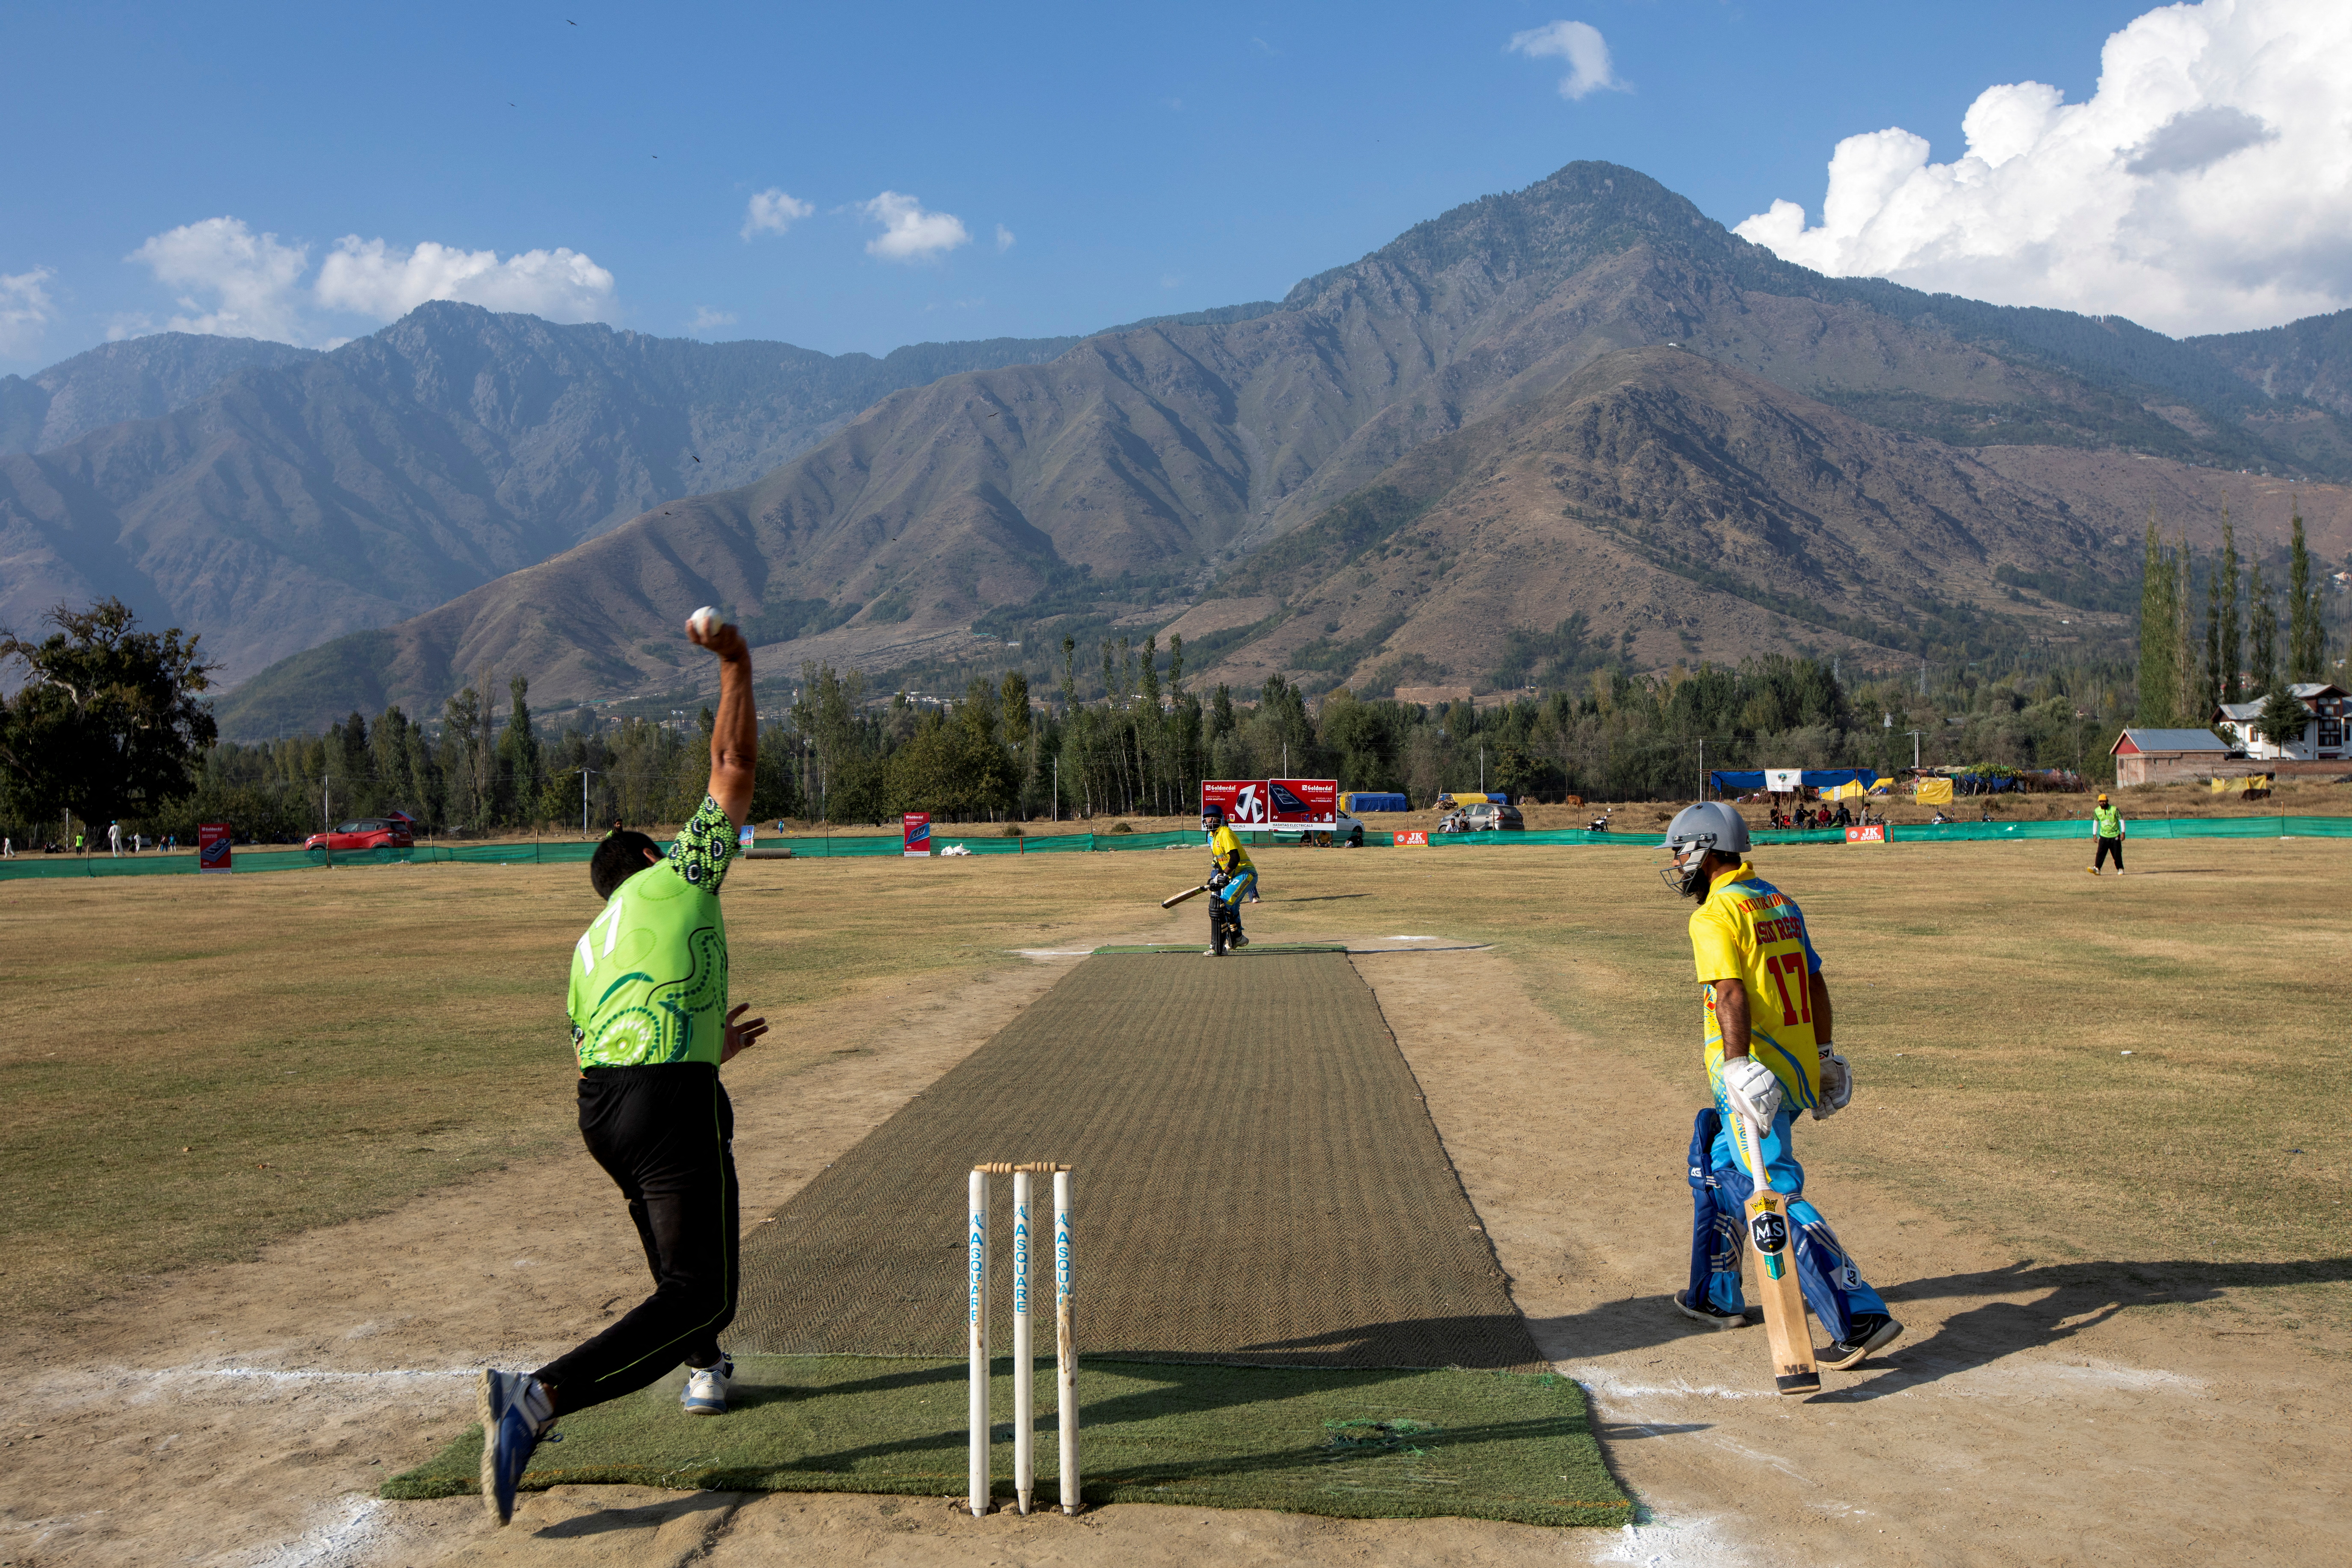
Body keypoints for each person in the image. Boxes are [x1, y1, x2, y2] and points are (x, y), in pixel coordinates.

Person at [476, 610, 769, 1527]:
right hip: (661, 1097)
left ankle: (702, 1367)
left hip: (604, 1106)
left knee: (680, 1255)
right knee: (702, 1289)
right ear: (649, 858)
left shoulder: (589, 941)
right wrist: (735, 664)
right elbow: (732, 769)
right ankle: (540, 1397)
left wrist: (700, 1049)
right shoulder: (679, 875)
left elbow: (602, 1042)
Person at [1659, 801, 1901, 1372]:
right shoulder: (1778, 900)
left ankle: (1858, 1313)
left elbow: (1730, 994)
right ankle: (1714, 1293)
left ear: (1707, 849)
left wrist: (1738, 1065)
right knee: (1718, 1164)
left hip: (1750, 1076)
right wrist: (1820, 1055)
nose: (1676, 861)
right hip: (1791, 1067)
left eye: (1680, 849)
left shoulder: (1716, 914)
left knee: (1777, 1192)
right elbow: (1813, 980)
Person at [1200, 802, 1254, 954]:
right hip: (1233, 874)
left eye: (1213, 818)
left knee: (1219, 906)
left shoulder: (1225, 833)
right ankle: (1237, 938)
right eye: (1207, 818)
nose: (1210, 821)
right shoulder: (1212, 836)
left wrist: (1225, 875)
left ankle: (1218, 948)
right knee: (1229, 909)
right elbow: (1219, 860)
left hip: (1246, 873)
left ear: (1221, 819)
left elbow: (1235, 858)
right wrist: (1217, 877)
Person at [2087, 791, 2125, 876]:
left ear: (2107, 801)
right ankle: (2097, 869)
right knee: (2100, 853)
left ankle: (2120, 869)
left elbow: (2121, 820)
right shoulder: (2097, 811)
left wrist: (2123, 833)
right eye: (2100, 801)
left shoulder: (2114, 809)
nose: (2102, 803)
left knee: (2116, 853)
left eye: (2104, 801)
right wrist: (2094, 835)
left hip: (2115, 835)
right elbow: (2096, 822)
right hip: (2103, 835)